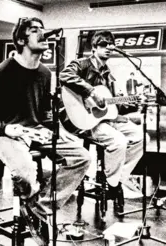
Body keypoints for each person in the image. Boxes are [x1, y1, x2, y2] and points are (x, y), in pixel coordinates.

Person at [0, 17, 91, 245]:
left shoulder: (45, 74)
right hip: (3, 134)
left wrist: (57, 130)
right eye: (35, 30)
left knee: (82, 157)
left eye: (42, 29)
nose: (42, 34)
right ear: (21, 39)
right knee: (26, 171)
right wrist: (7, 128)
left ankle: (40, 207)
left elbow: (45, 113)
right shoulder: (1, 73)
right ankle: (35, 207)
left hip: (35, 131)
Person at [59, 30, 145, 216]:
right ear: (95, 47)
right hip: (83, 121)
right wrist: (90, 91)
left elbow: (109, 106)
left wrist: (128, 105)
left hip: (103, 119)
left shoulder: (107, 74)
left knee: (141, 137)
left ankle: (117, 180)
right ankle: (112, 184)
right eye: (104, 45)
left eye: (110, 45)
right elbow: (65, 76)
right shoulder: (82, 64)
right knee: (118, 142)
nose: (108, 48)